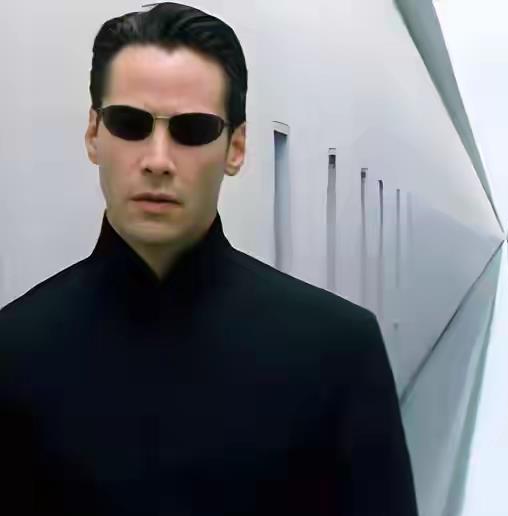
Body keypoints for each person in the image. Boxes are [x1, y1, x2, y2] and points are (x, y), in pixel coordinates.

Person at [0, 4, 418, 515]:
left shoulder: (339, 354)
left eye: (193, 129)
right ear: (93, 134)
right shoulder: (14, 354)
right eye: (129, 124)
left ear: (236, 148)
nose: (157, 160)